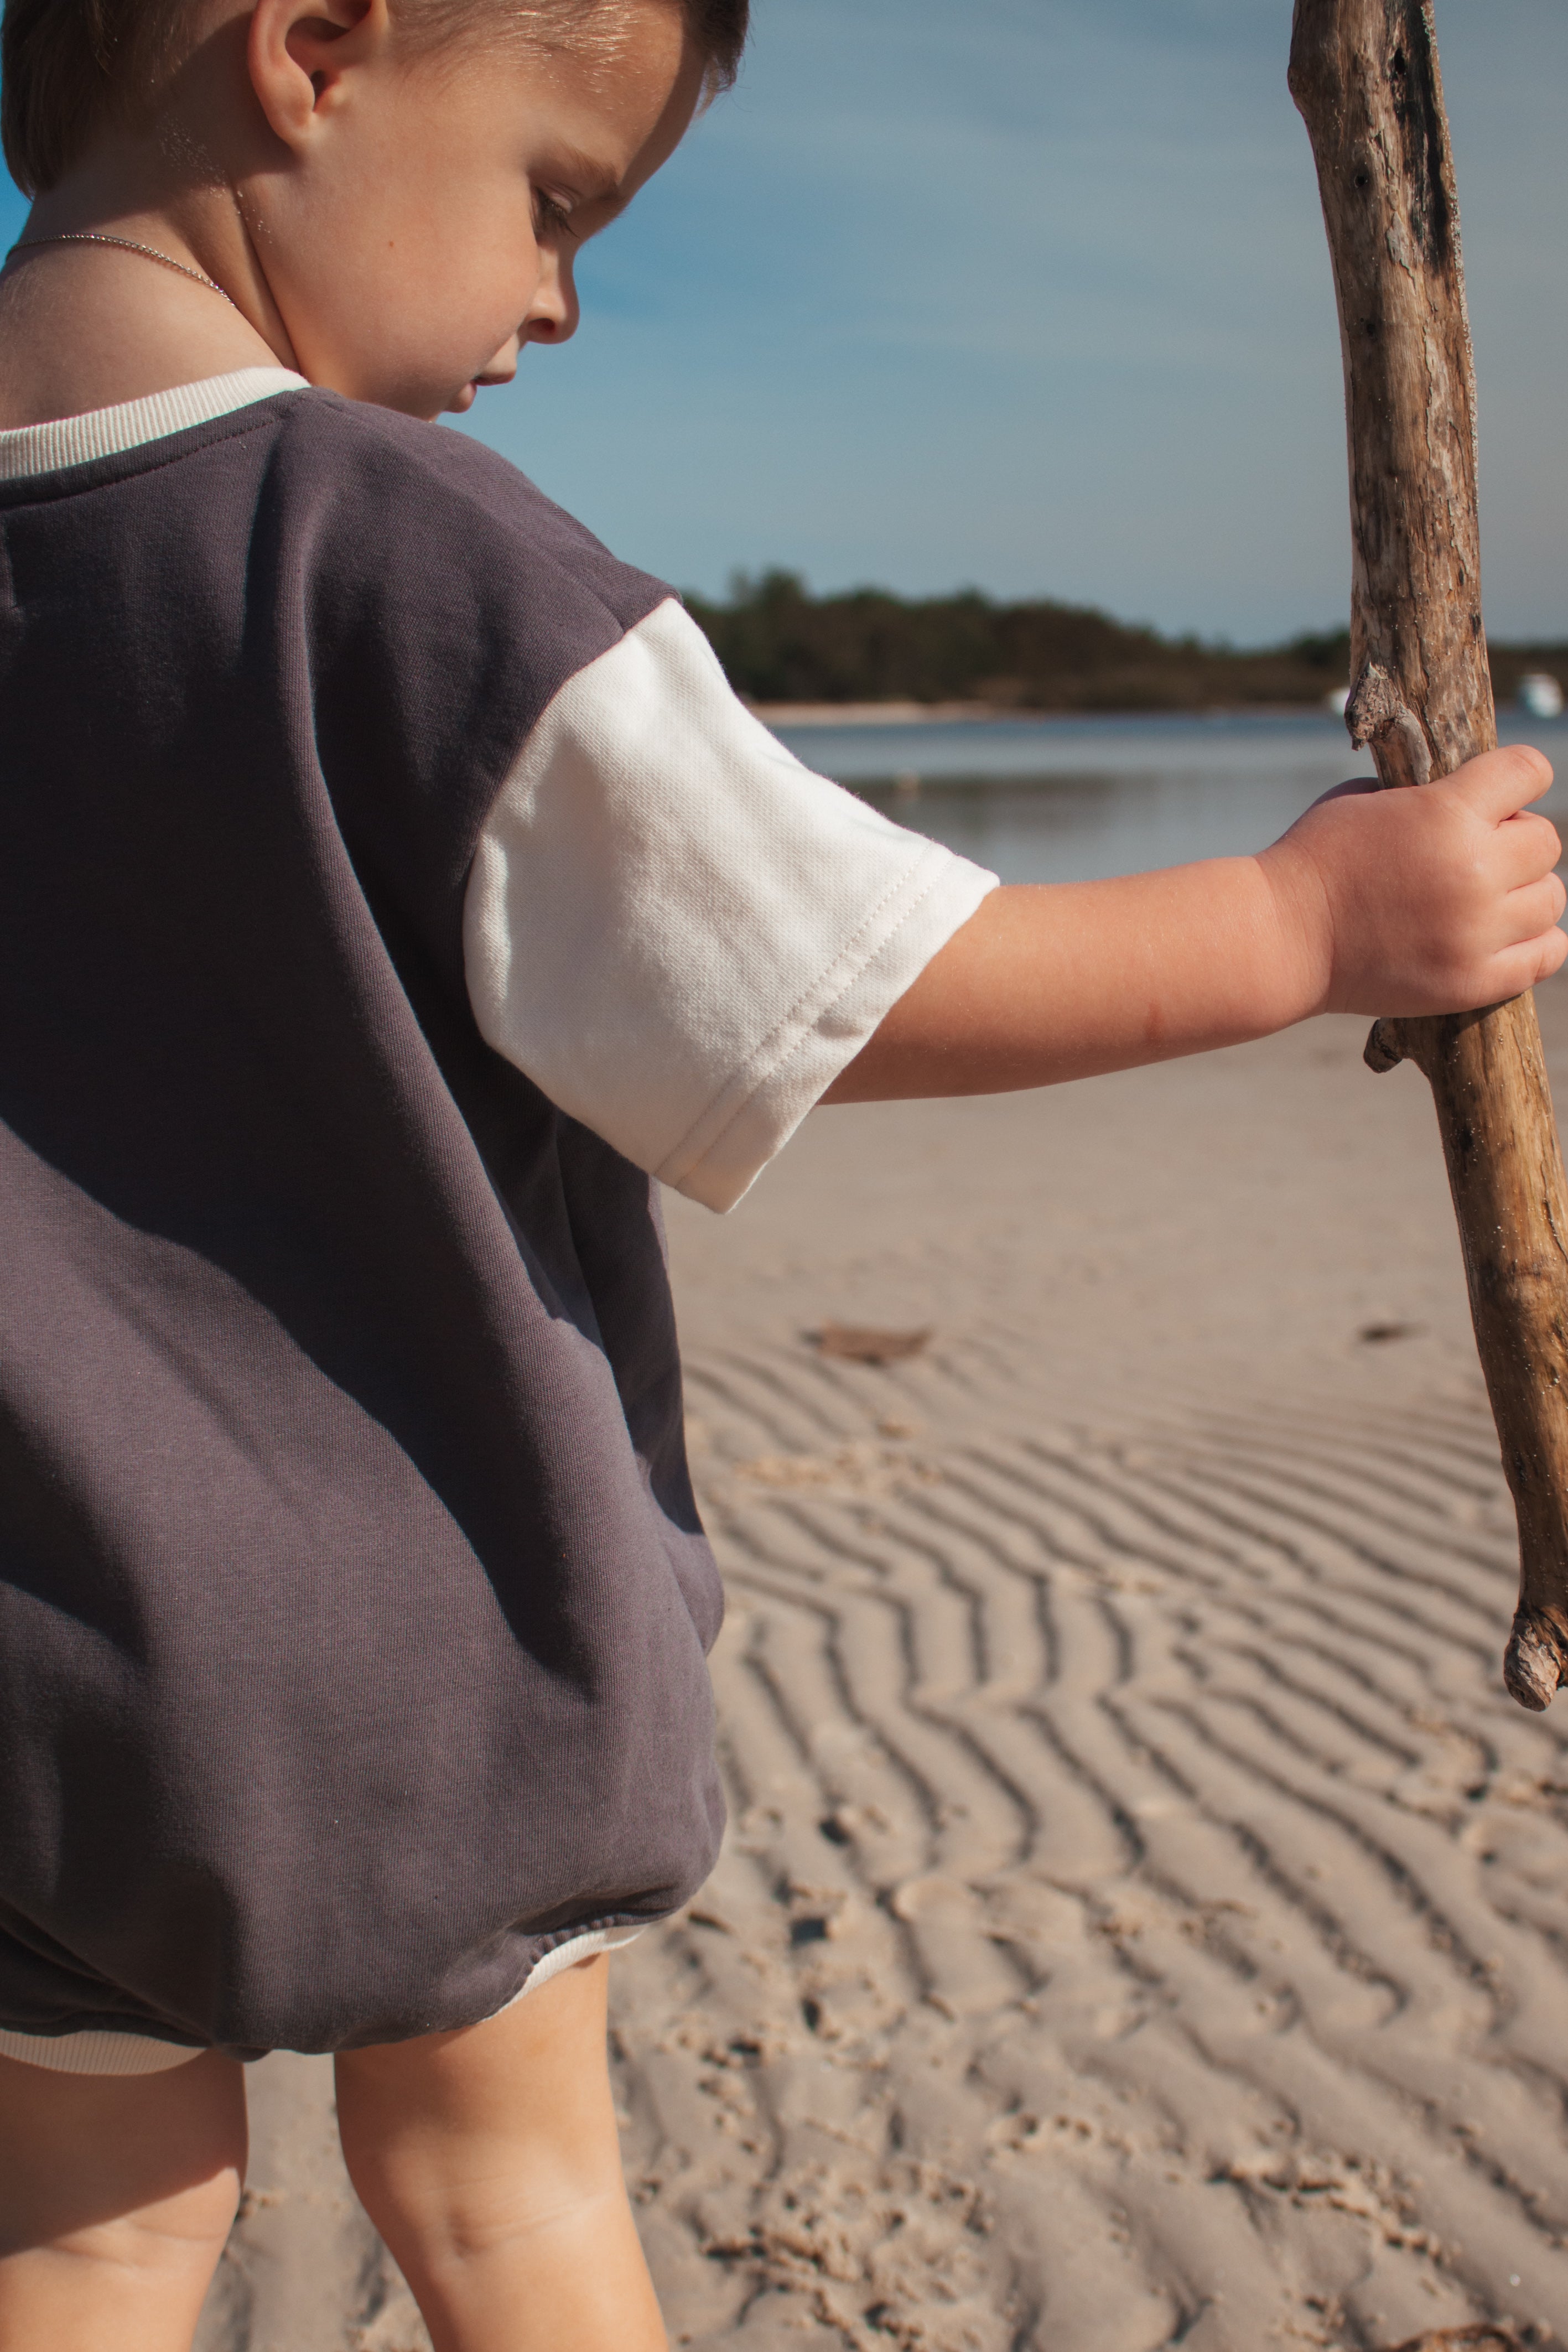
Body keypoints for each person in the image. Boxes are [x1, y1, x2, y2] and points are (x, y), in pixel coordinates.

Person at [0, 0, 1560, 2341]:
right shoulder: (395, 554)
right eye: (553, 198)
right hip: (442, 1644)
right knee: (507, 2206)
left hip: (36, 1658)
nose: (555, 309)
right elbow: (812, 975)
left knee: (92, 2234)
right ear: (311, 49)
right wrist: (1293, 922)